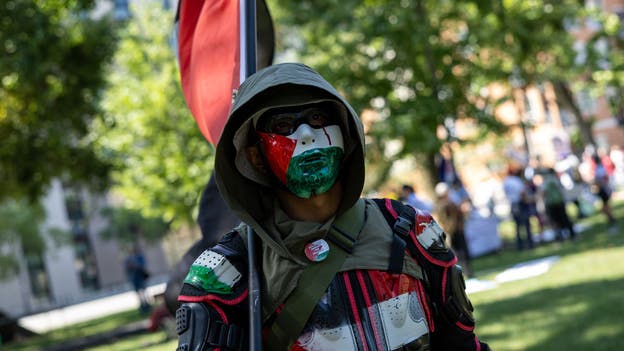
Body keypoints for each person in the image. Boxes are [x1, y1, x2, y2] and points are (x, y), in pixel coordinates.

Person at [175, 63, 490, 351]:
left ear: (347, 133)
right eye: (284, 124)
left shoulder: (408, 230)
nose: (307, 134)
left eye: (317, 118)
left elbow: (462, 344)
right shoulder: (226, 271)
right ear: (255, 157)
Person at [434, 182, 472, 277]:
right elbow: (443, 220)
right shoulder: (443, 205)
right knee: (458, 254)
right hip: (451, 231)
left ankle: (466, 272)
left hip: (456, 230)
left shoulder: (448, 203)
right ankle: (463, 273)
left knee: (461, 253)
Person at [503, 166, 534, 250]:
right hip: (520, 203)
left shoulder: (506, 181)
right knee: (526, 225)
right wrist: (528, 200)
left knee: (517, 226)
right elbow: (522, 193)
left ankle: (520, 245)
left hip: (513, 204)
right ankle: (529, 244)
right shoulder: (516, 180)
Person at [540, 168, 576, 241]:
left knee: (555, 220)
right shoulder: (555, 179)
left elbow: (544, 192)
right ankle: (571, 234)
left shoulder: (547, 181)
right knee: (564, 218)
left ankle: (560, 236)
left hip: (552, 203)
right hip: (559, 201)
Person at [125, 245, 150, 313]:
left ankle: (147, 305)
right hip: (134, 279)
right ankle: (142, 307)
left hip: (141, 277)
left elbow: (142, 265)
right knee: (138, 294)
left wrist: (136, 265)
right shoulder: (128, 259)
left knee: (144, 292)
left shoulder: (139, 256)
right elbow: (127, 268)